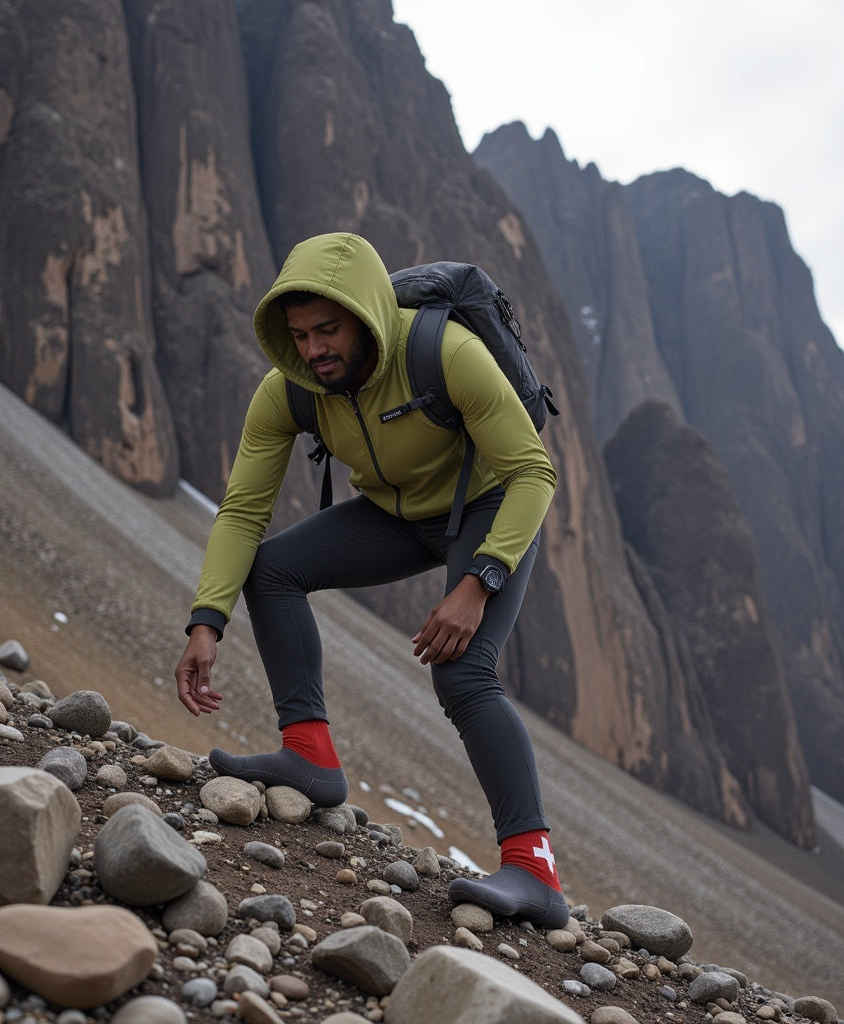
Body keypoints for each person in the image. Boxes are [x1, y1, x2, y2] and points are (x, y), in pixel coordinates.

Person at [174, 231, 568, 929]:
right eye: (300, 335)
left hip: (488, 505)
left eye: (328, 329)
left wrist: (479, 580)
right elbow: (242, 510)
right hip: (397, 514)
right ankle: (310, 755)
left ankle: (534, 871)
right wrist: (207, 620)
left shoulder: (445, 353)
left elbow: (534, 472)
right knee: (272, 570)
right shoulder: (291, 389)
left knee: (462, 672)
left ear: (366, 317)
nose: (314, 349)